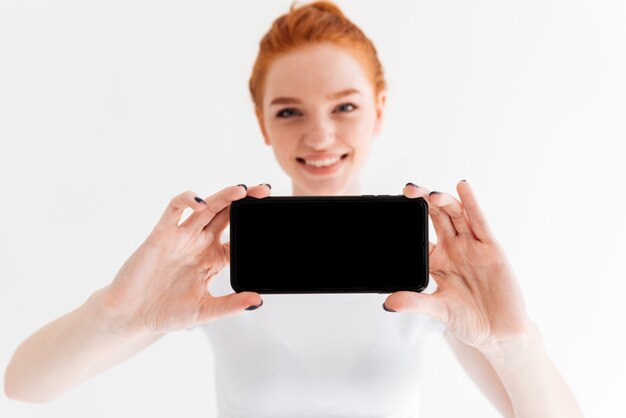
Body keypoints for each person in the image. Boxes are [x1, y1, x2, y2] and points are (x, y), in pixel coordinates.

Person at [4, 1, 584, 417]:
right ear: (262, 122)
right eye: (289, 112)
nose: (320, 136)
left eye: (345, 106)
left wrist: (515, 342)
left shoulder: (431, 277)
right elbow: (25, 386)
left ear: (379, 111)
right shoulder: (216, 270)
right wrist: (118, 311)